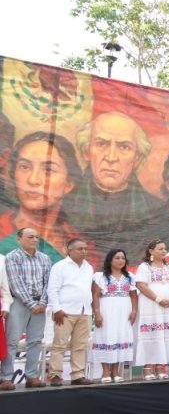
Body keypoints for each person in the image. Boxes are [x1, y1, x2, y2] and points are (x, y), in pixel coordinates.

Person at [65, 112, 162, 258]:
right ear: (86, 151)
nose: (111, 157)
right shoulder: (63, 207)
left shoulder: (157, 212)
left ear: (137, 157)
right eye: (101, 144)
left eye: (124, 147)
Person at [0, 132, 82, 260]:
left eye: (48, 170)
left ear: (69, 184)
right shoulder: (2, 231)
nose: (33, 180)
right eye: (24, 167)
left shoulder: (80, 246)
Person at [0, 228, 52, 390]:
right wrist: (31, 304)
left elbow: (48, 283)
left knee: (35, 341)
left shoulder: (44, 258)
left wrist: (42, 303)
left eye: (37, 237)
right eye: (30, 237)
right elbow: (15, 283)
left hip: (40, 305)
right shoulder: (12, 257)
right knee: (12, 341)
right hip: (19, 303)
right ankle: (6, 377)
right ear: (19, 239)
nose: (35, 240)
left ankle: (31, 376)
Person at [46, 237, 95, 386]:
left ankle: (77, 375)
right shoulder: (60, 266)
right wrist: (57, 309)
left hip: (85, 311)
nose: (84, 251)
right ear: (69, 250)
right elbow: (52, 289)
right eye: (80, 249)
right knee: (59, 345)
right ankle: (55, 375)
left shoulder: (89, 267)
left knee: (80, 345)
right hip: (64, 312)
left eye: (85, 249)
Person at [134, 240, 169, 380]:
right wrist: (158, 299)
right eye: (160, 249)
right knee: (151, 334)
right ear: (151, 251)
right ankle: (147, 367)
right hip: (151, 304)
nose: (164, 251)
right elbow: (141, 285)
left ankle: (161, 366)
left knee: (165, 334)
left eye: (165, 249)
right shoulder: (144, 267)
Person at [91, 248, 138, 383]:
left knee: (120, 336)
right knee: (106, 337)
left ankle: (115, 372)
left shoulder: (129, 277)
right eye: (117, 258)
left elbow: (134, 296)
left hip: (124, 312)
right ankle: (105, 372)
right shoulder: (100, 276)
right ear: (110, 260)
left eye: (123, 258)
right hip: (106, 310)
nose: (120, 261)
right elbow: (95, 295)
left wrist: (134, 311)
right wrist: (97, 313)